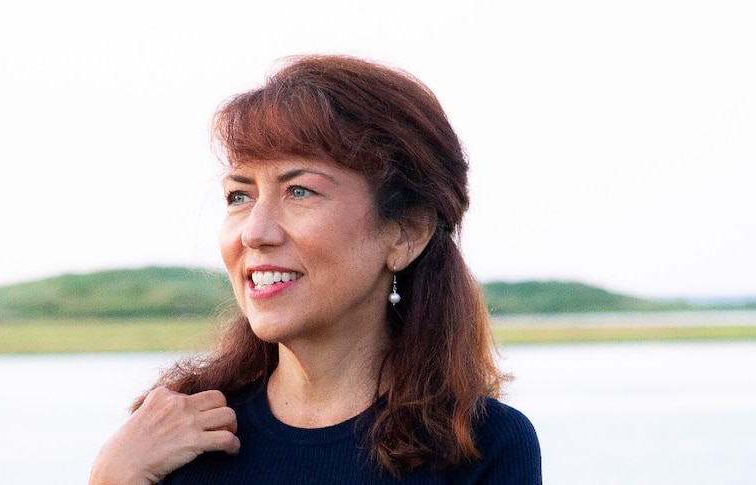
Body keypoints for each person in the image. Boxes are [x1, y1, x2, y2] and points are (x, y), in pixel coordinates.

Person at [89, 54, 542, 484]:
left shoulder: (480, 446)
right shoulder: (178, 435)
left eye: (300, 191)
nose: (255, 232)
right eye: (239, 196)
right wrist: (111, 478)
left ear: (406, 233)